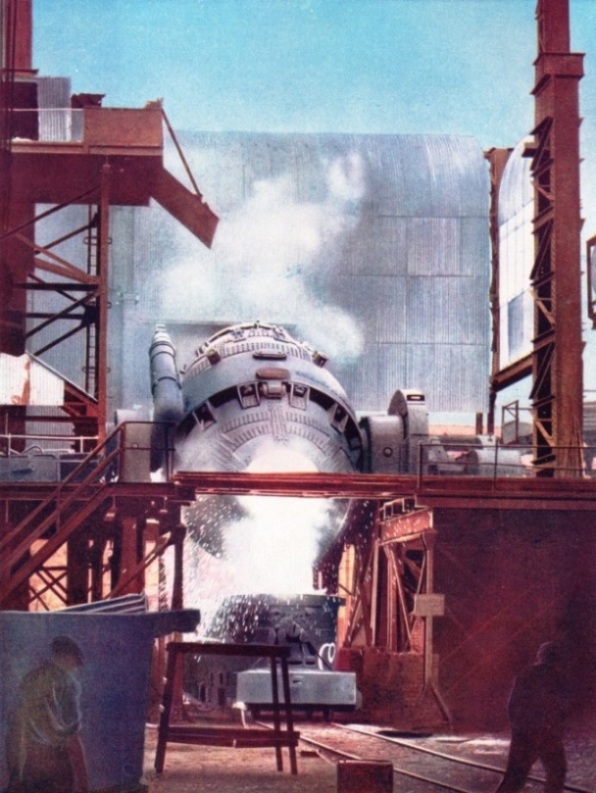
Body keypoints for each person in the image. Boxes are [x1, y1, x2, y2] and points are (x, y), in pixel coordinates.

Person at [6, 635, 89, 793]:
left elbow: (15, 730)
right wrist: (84, 784)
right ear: (67, 658)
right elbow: (72, 738)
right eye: (75, 662)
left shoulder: (29, 679)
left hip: (31, 763)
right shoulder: (69, 684)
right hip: (57, 765)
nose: (76, 667)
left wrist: (15, 775)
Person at [495, 641, 571, 793]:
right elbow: (563, 709)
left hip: (524, 734)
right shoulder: (559, 678)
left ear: (540, 656)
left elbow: (513, 705)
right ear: (558, 659)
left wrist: (518, 728)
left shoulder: (526, 674)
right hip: (548, 734)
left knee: (514, 778)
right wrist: (558, 729)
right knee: (557, 772)